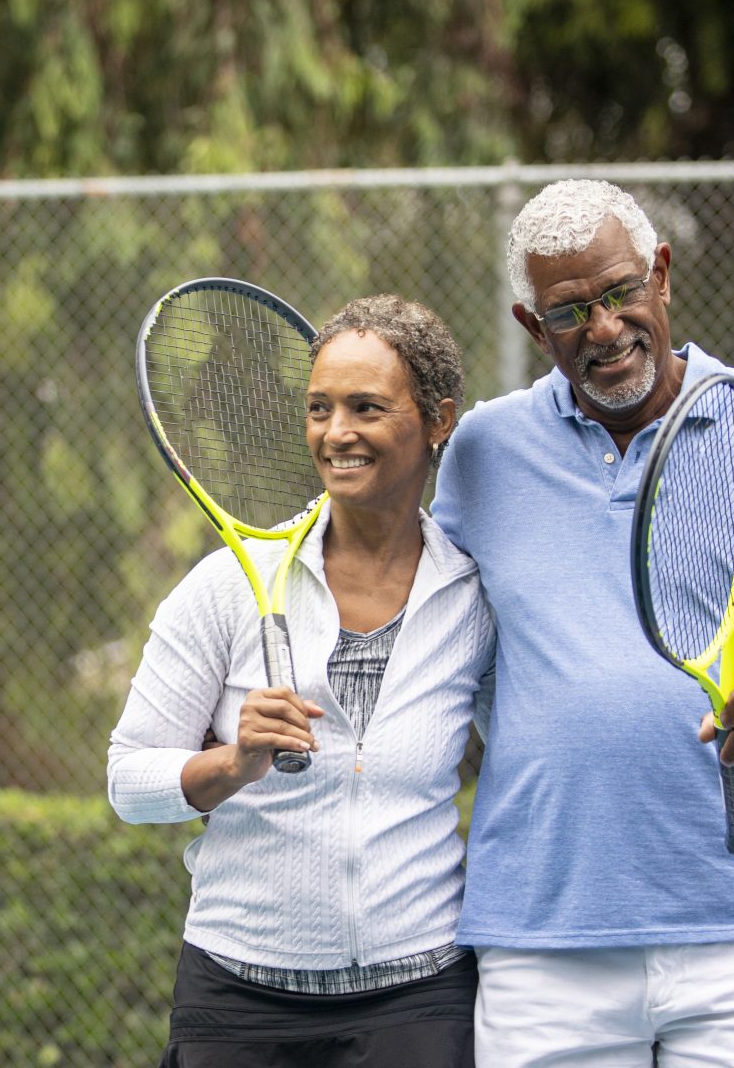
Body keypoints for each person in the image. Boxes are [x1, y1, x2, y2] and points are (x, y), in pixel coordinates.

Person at [430, 179, 734, 1067]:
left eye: (621, 292)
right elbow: (429, 641)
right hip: (542, 945)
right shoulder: (482, 454)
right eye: (570, 311)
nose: (604, 328)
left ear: (662, 274)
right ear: (533, 327)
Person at [109, 294, 493, 1067]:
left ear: (439, 420)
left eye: (365, 407)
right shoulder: (226, 587)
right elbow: (128, 782)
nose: (335, 432)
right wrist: (232, 763)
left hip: (418, 999)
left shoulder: (474, 597)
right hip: (237, 999)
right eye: (319, 408)